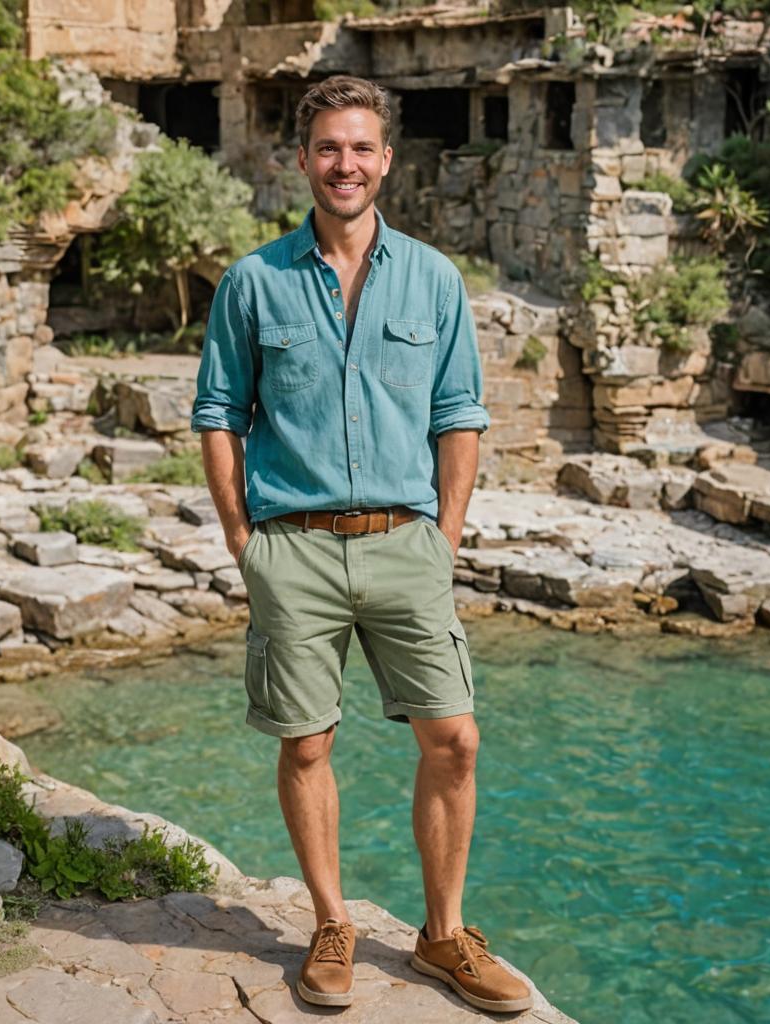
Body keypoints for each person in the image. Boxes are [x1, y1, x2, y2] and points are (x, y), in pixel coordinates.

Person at [191, 74, 531, 1014]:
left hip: (405, 543)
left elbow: (460, 415)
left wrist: (444, 536)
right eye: (329, 148)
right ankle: (333, 924)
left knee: (454, 739)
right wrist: (240, 536)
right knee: (307, 746)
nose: (346, 164)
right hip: (290, 548)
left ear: (387, 160)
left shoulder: (434, 278)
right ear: (302, 160)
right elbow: (219, 412)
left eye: (362, 148)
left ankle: (443, 937)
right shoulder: (253, 282)